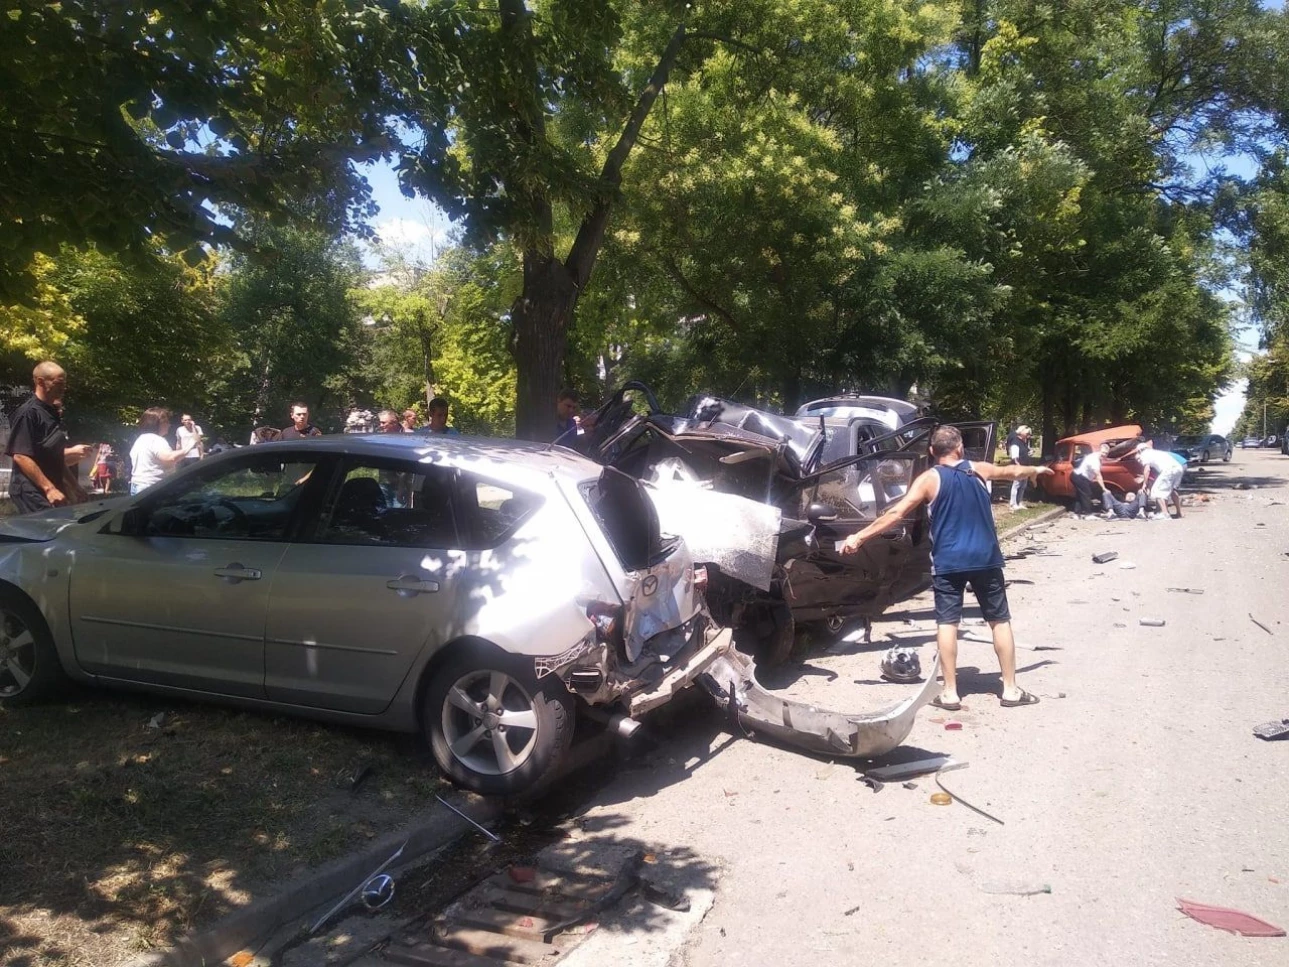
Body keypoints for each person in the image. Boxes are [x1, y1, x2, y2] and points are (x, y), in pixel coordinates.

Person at [840, 425, 1053, 710]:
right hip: (985, 558)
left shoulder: (929, 479)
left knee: (947, 623)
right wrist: (1035, 470)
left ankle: (950, 693)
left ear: (931, 451)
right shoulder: (978, 469)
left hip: (948, 561)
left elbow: (896, 513)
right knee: (999, 620)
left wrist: (859, 537)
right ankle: (1011, 690)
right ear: (960, 448)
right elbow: (1012, 472)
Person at [4, 361, 91, 513]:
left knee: (64, 524)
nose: (63, 388)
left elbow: (55, 458)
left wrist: (74, 486)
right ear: (40, 382)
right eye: (58, 383)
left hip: (52, 487)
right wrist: (49, 489)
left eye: (64, 384)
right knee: (50, 526)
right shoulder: (28, 413)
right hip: (31, 490)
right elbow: (20, 456)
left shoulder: (51, 414)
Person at [129, 407, 199, 494]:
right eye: (166, 422)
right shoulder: (156, 440)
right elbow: (170, 458)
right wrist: (192, 443)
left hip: (138, 486)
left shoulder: (141, 439)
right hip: (152, 488)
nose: (169, 425)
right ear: (158, 423)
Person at [1136, 441, 1185, 519]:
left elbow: (1147, 469)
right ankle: (1179, 513)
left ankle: (1165, 514)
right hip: (1178, 468)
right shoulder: (1156, 452)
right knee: (1170, 491)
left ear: (1139, 450)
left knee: (1157, 490)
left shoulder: (1144, 454)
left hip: (1169, 470)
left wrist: (1144, 484)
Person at [1071, 442, 1109, 518]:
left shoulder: (1097, 457)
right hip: (1080, 476)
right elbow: (1098, 475)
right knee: (1087, 494)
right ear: (1099, 450)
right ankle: (1088, 514)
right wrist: (1104, 488)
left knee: (1080, 495)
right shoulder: (1094, 460)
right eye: (1103, 452)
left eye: (1106, 453)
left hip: (1077, 475)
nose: (1104, 454)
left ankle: (1076, 514)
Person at [1006, 425, 1033, 509]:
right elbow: (1015, 457)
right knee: (1016, 485)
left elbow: (1025, 452)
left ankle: (1019, 502)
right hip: (1018, 467)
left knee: (1023, 486)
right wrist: (1019, 467)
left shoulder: (1024, 442)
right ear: (1022, 433)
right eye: (1027, 433)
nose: (1028, 435)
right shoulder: (1015, 442)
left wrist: (1030, 452)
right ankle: (1013, 504)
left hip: (1025, 467)